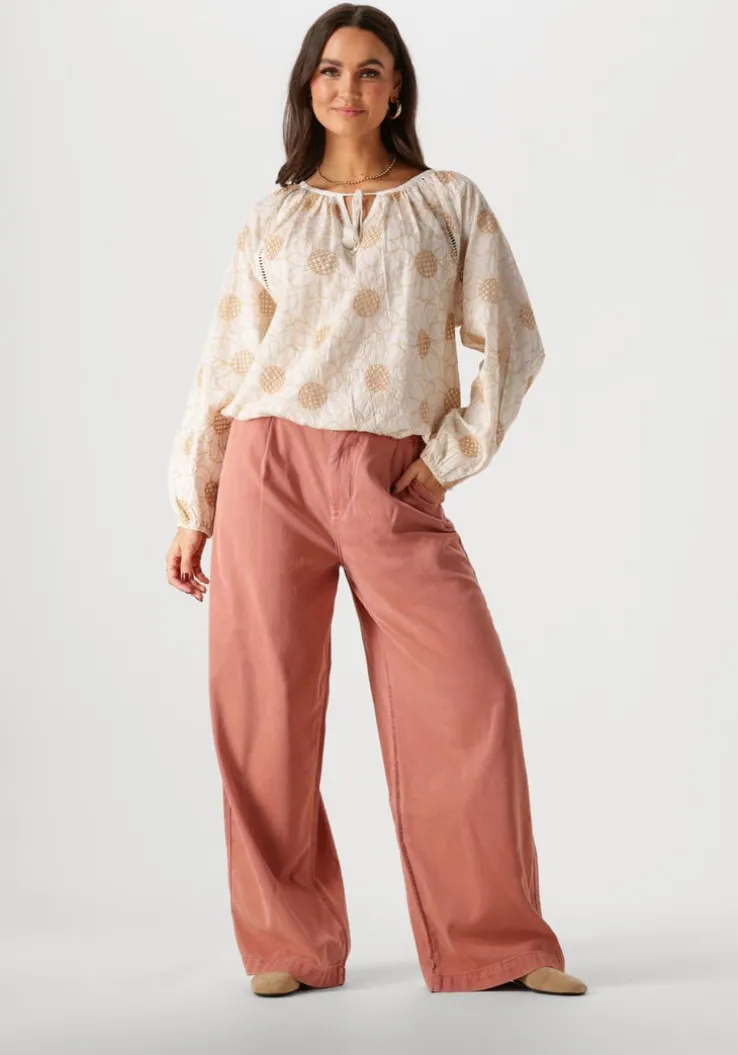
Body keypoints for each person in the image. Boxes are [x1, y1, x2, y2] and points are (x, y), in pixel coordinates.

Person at [165, 3, 587, 999]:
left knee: (468, 695)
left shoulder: (447, 202)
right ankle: (290, 944)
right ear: (307, 88)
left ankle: (496, 943)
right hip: (269, 468)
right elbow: (223, 366)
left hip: (394, 477)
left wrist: (445, 462)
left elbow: (514, 343)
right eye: (329, 70)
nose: (346, 87)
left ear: (396, 90)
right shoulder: (273, 217)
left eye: (367, 70)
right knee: (263, 708)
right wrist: (195, 502)